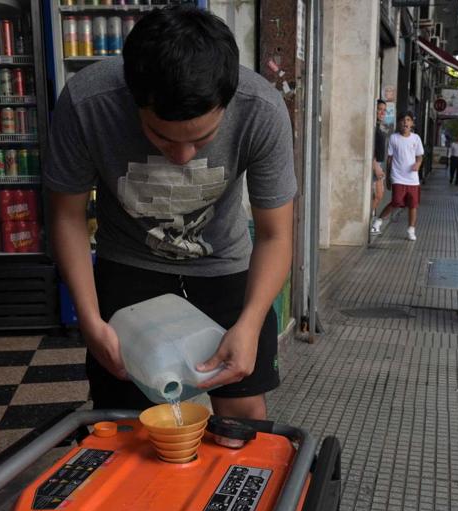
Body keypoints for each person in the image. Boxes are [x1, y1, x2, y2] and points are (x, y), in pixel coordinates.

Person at [44, 6, 296, 420]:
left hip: (224, 267)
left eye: (203, 139)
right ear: (132, 96)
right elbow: (67, 216)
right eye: (160, 137)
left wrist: (251, 323)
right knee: (126, 418)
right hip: (128, 267)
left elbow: (275, 235)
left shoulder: (261, 110)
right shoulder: (89, 102)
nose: (181, 156)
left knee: (243, 413)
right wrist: (89, 320)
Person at [370, 112, 424, 241]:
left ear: (412, 123)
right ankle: (378, 222)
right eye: (403, 120)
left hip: (412, 179)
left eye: (408, 120)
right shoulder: (394, 138)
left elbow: (420, 157)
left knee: (413, 205)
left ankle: (411, 230)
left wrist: (418, 164)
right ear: (399, 123)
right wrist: (388, 177)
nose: (405, 122)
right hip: (398, 176)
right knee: (396, 202)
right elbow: (389, 159)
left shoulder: (416, 138)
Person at [371, 100, 388, 217]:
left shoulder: (379, 126)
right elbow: (370, 148)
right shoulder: (373, 127)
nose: (382, 113)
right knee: (378, 195)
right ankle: (367, 221)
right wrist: (376, 166)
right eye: (379, 109)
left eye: (384, 110)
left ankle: (369, 218)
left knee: (379, 195)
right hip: (374, 164)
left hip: (379, 164)